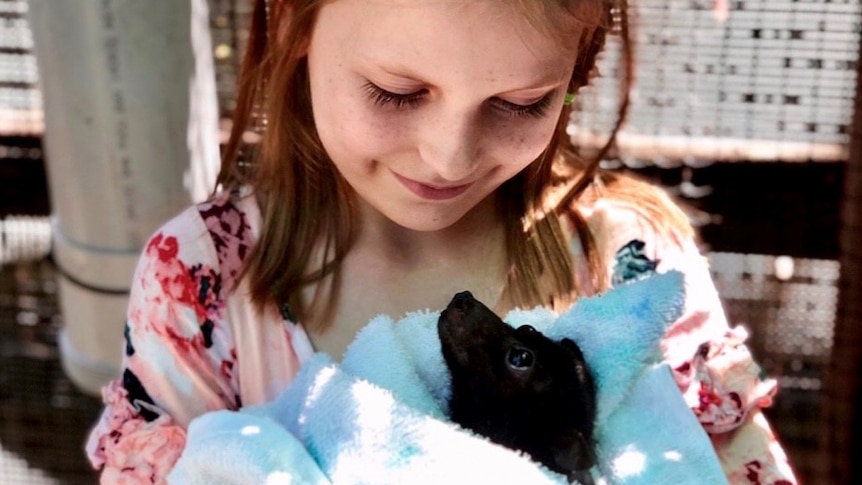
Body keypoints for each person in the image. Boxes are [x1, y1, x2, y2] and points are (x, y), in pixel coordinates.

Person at [84, 0, 797, 483]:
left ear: (575, 75)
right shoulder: (204, 282)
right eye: (396, 91)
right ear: (294, 22)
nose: (449, 160)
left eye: (522, 104)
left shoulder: (632, 268)